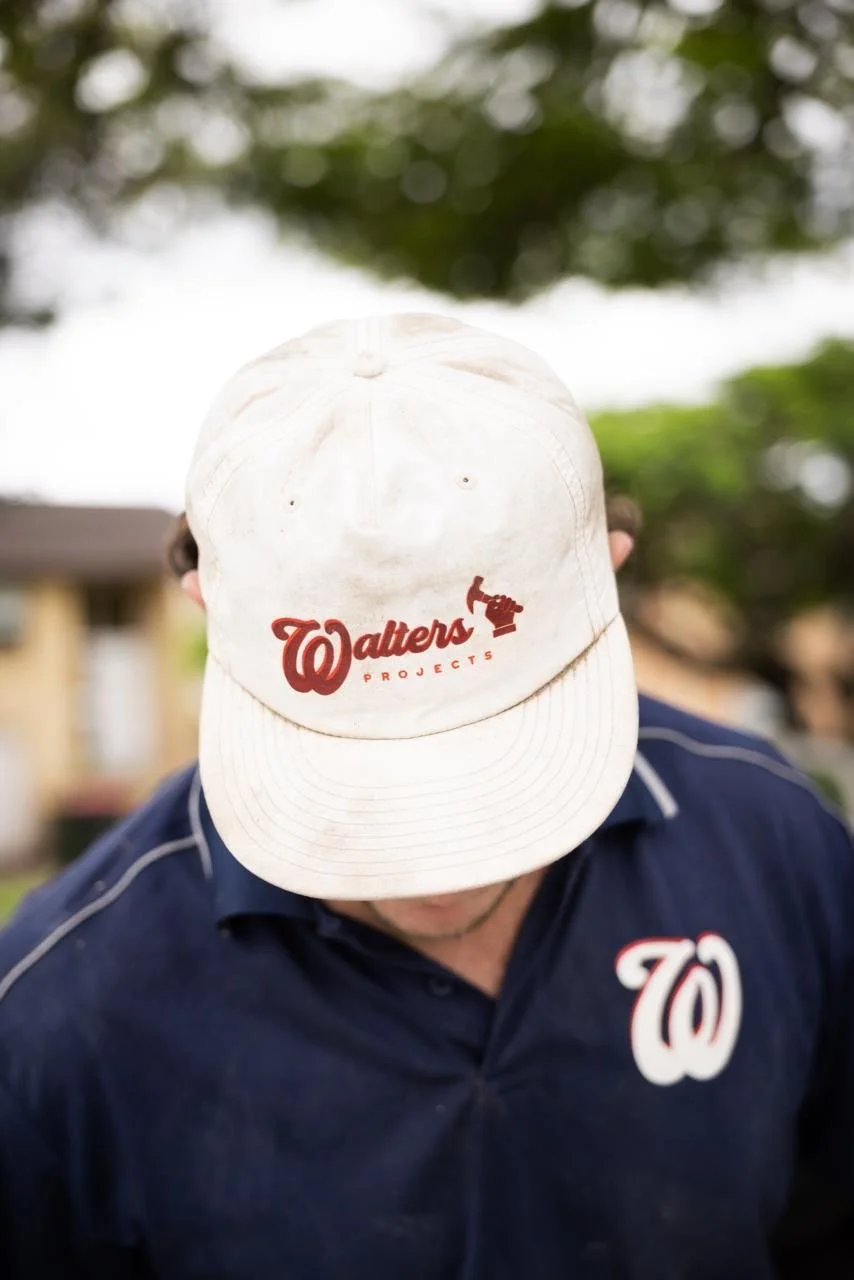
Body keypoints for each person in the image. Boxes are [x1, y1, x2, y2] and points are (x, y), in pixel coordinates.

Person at [1, 313, 852, 1279]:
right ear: (208, 605)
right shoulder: (56, 1013)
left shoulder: (780, 848)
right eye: (358, 762)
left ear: (605, 575)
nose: (435, 860)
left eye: (490, 748)